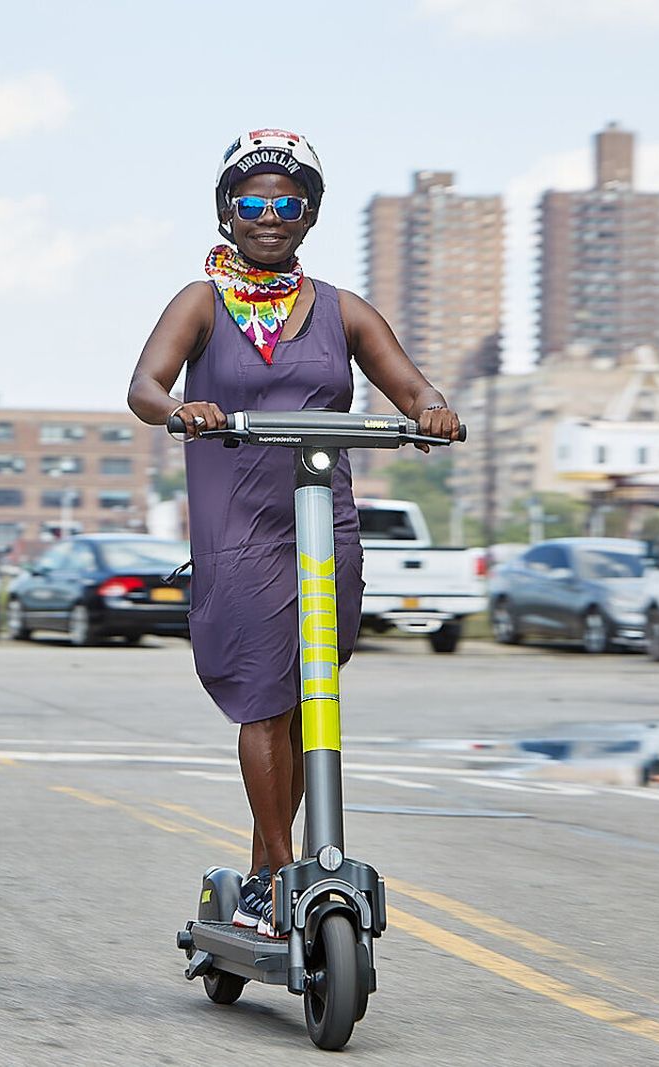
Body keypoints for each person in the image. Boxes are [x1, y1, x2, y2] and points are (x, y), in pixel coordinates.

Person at [126, 130, 462, 936]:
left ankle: (265, 876)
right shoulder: (199, 302)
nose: (269, 216)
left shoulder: (343, 311)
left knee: (312, 698)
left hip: (323, 521)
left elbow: (412, 385)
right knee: (261, 698)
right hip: (239, 525)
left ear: (308, 216)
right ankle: (282, 874)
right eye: (252, 203)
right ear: (226, 213)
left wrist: (432, 411)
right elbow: (144, 385)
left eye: (286, 203)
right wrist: (181, 409)